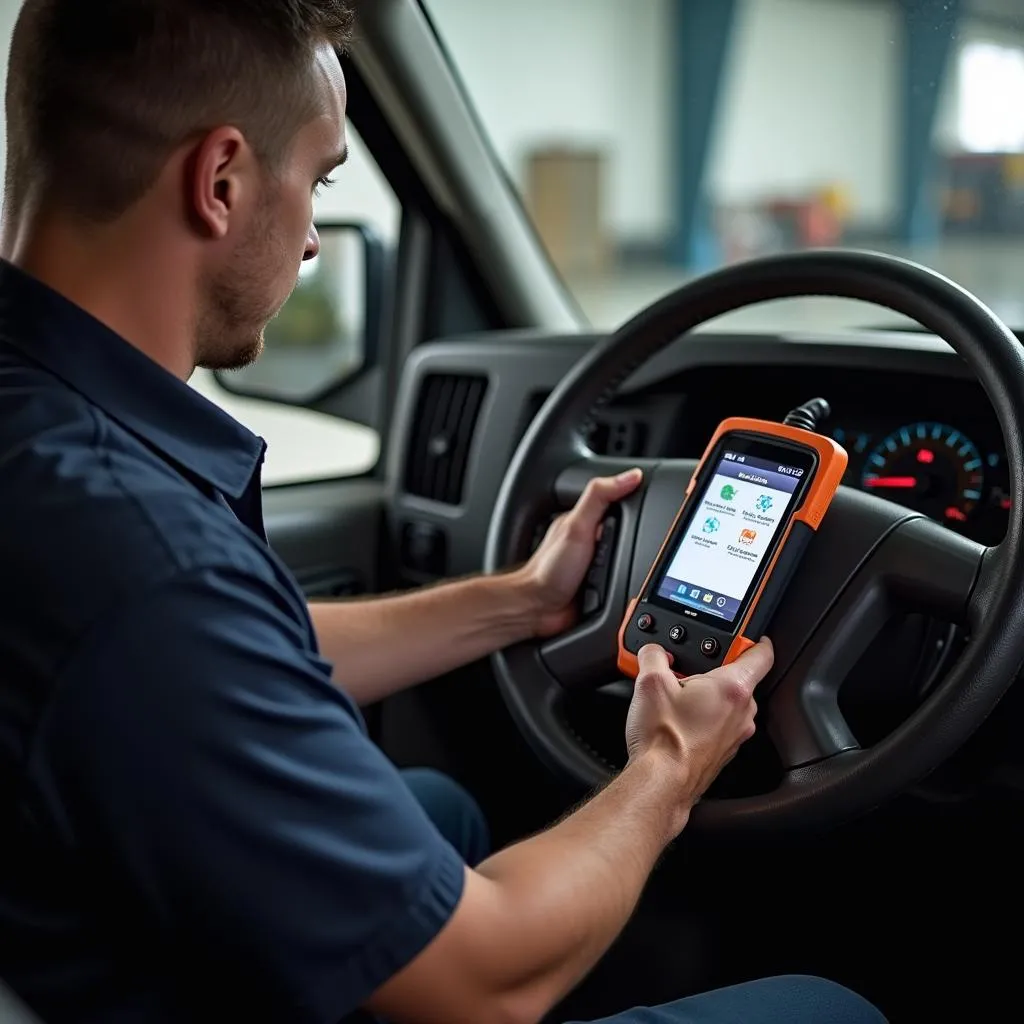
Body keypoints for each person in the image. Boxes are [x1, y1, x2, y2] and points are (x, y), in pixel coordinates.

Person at [0, 2, 887, 1022]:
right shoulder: (147, 571)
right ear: (222, 181)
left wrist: (517, 601)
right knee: (831, 1005)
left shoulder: (57, 446)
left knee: (444, 811)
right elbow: (483, 980)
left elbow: (236, 652)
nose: (315, 240)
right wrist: (671, 762)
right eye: (322, 178)